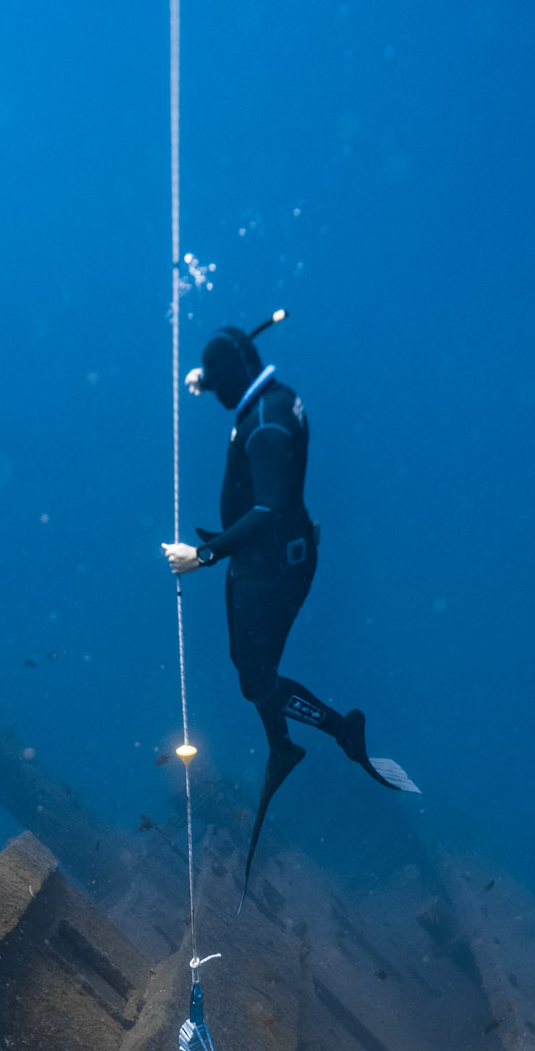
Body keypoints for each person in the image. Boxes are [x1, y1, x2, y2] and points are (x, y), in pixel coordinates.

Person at [163, 319, 416, 887]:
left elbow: (270, 509)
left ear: (238, 375)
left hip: (272, 565)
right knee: (249, 668)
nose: (217, 397)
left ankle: (338, 731)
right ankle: (282, 745)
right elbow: (239, 353)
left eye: (220, 386)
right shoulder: (274, 397)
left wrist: (202, 556)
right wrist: (210, 376)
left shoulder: (266, 426)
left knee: (255, 679)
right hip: (271, 558)